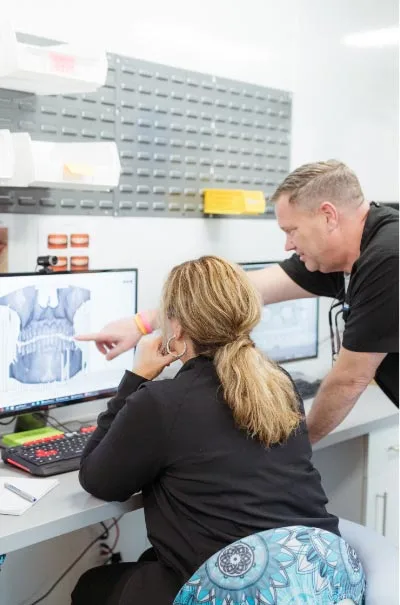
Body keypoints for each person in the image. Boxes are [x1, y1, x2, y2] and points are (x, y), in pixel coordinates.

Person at [72, 256, 365, 605]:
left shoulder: (162, 402)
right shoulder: (279, 384)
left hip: (241, 593)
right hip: (318, 584)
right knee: (154, 563)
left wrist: (136, 378)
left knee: (94, 586)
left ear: (176, 327)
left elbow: (97, 479)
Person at [77, 160, 399, 444]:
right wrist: (141, 324)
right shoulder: (345, 254)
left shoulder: (387, 258)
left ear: (328, 215)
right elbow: (238, 290)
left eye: (292, 230)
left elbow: (349, 378)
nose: (287, 244)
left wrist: (300, 447)